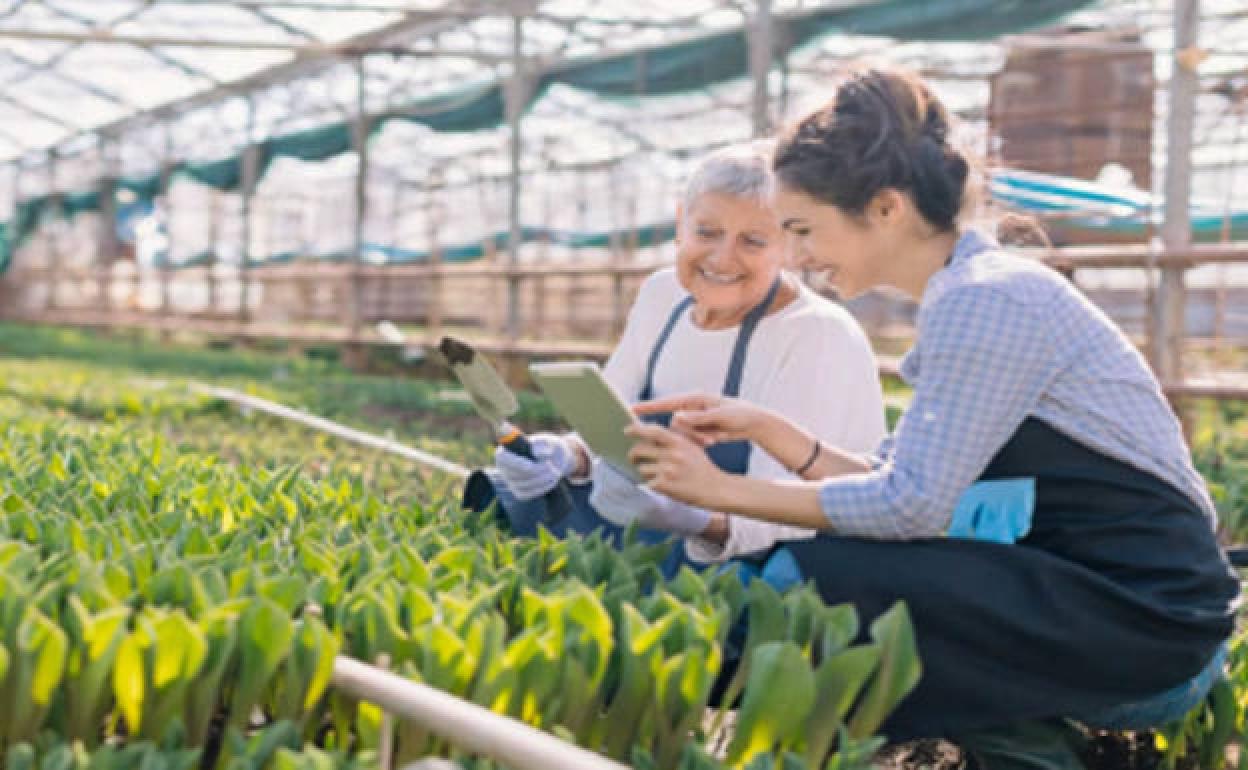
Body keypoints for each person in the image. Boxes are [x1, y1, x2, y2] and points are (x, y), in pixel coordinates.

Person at [626, 68, 1238, 768]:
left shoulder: (987, 298)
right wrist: (775, 434)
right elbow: (910, 485)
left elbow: (911, 508)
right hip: (1098, 610)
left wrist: (722, 491)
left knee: (815, 583)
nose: (797, 257)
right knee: (836, 582)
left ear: (885, 209)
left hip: (1145, 629)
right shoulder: (973, 290)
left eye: (802, 229)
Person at [465, 140, 886, 573]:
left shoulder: (814, 334)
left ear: (787, 247)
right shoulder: (662, 293)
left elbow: (791, 517)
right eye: (707, 232)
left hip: (758, 547)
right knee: (504, 501)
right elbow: (611, 416)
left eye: (754, 241)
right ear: (681, 222)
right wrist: (568, 453)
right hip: (656, 522)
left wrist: (694, 517)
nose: (723, 258)